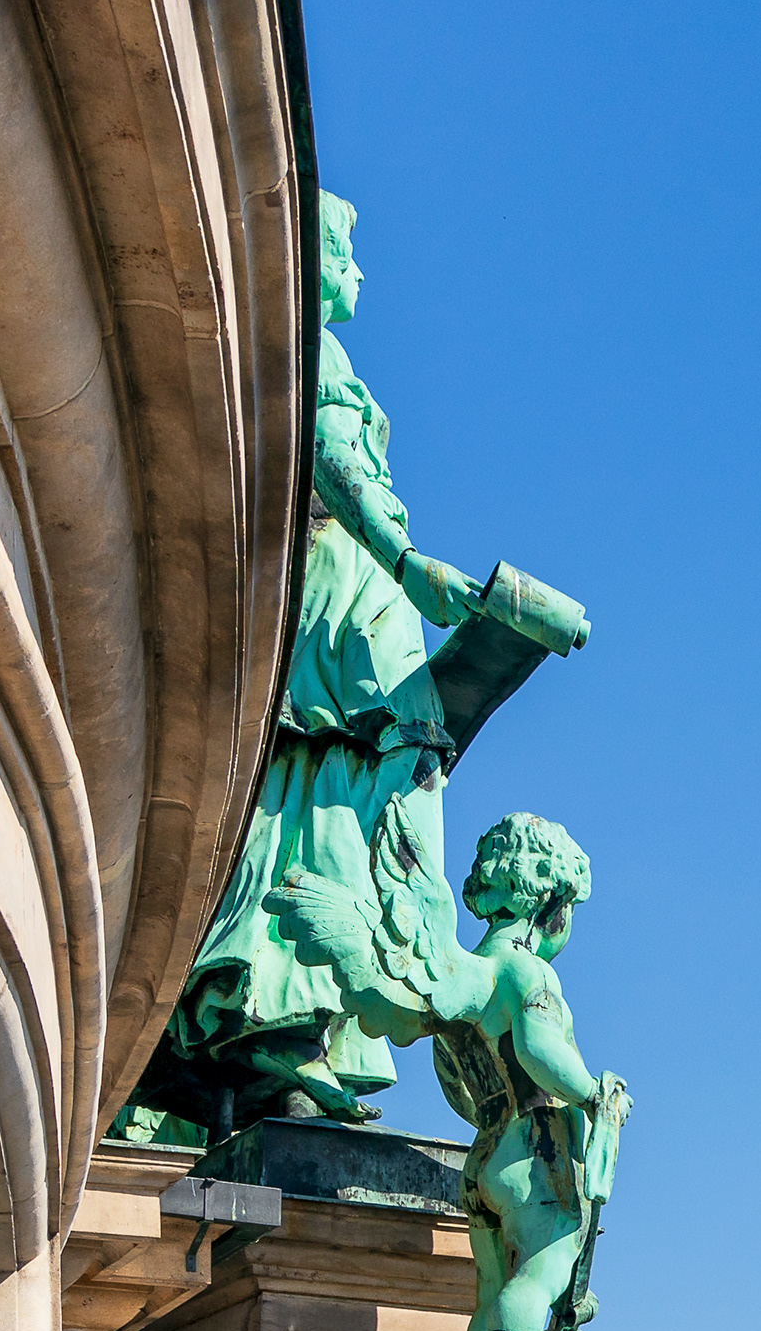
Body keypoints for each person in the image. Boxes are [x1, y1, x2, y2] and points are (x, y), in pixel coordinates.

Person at [133, 190, 563, 1133]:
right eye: (347, 253)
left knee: (321, 808)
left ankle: (274, 1029)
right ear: (309, 257)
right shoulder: (311, 354)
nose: (358, 273)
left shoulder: (297, 357)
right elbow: (334, 463)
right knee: (330, 811)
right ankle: (277, 1026)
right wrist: (416, 571)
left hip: (334, 615)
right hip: (339, 611)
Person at [266, 812, 628, 1331]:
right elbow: (541, 1052)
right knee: (542, 1271)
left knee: (490, 1285)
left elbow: (455, 1083)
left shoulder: (467, 975)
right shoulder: (526, 971)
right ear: (549, 899)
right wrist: (593, 1091)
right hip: (533, 1149)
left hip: (484, 1155)